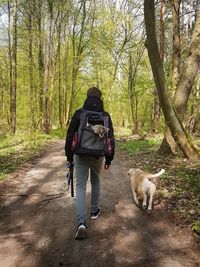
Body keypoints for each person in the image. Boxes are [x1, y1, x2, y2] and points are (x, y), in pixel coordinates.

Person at [65, 86, 115, 239]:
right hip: (98, 155)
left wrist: (69, 156)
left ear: (87, 97)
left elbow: (69, 134)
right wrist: (109, 158)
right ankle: (94, 211)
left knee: (80, 186)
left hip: (80, 154)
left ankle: (81, 223)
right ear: (100, 98)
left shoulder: (80, 113)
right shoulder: (105, 116)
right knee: (95, 180)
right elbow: (111, 139)